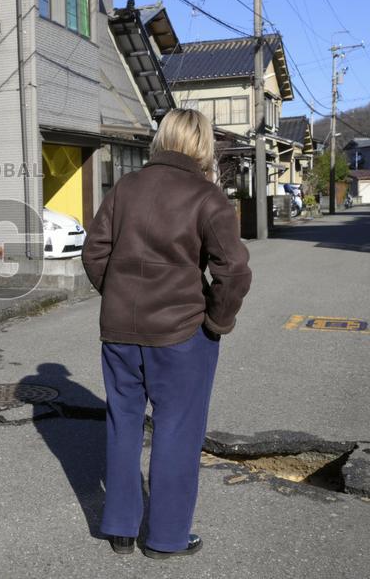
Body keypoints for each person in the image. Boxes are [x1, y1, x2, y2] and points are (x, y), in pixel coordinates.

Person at [82, 108, 252, 559]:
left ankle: (119, 527)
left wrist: (116, 293)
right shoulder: (207, 197)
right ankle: (166, 538)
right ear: (202, 146)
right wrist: (216, 321)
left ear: (163, 138)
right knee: (177, 430)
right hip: (180, 334)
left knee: (123, 423)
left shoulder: (125, 188)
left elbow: (94, 250)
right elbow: (233, 271)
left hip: (119, 330)